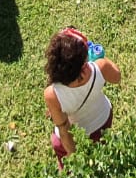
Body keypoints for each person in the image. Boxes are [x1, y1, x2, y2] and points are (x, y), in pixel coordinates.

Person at [44, 28, 122, 164]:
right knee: (102, 156)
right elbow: (117, 77)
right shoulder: (100, 67)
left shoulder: (52, 94)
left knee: (66, 162)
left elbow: (64, 129)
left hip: (76, 136)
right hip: (102, 121)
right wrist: (100, 59)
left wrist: (74, 157)